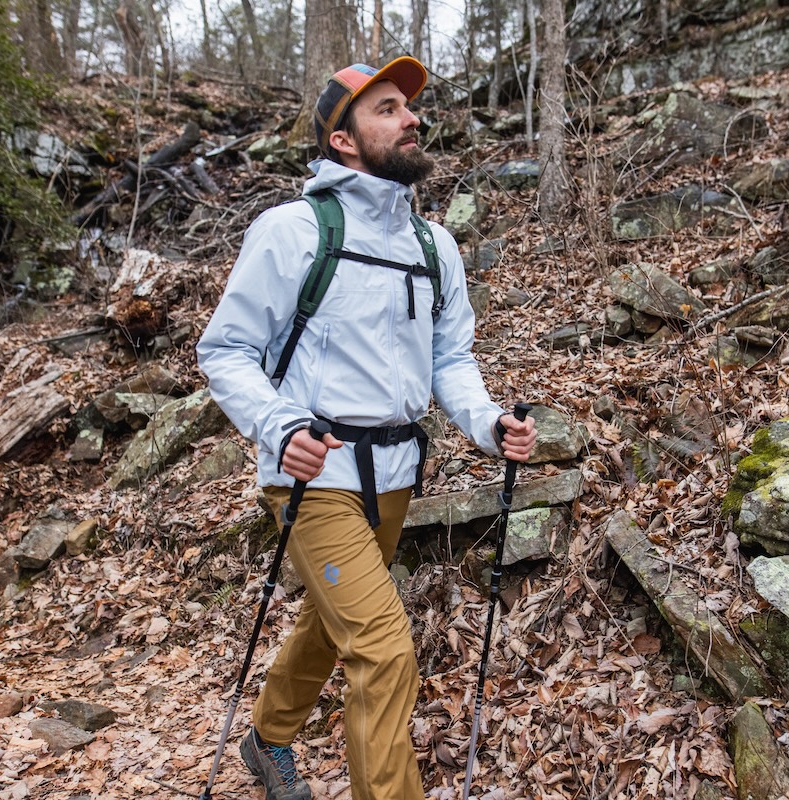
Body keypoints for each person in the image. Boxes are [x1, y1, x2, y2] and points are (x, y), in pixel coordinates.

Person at [196, 55, 537, 800]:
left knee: (334, 620)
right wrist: (279, 425)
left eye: (409, 107)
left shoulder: (433, 246)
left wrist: (487, 422)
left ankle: (267, 739)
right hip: (312, 473)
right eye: (387, 108)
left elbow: (450, 358)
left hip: (394, 475)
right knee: (383, 649)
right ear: (342, 139)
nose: (411, 118)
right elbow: (225, 349)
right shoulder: (291, 232)